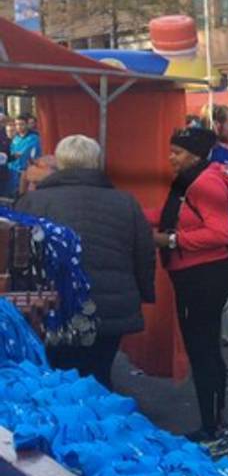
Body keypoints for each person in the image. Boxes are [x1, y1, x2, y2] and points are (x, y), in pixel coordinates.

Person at [15, 135, 155, 390]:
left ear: (60, 162)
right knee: (100, 375)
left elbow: (20, 258)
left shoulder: (34, 202)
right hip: (111, 304)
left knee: (59, 380)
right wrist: (144, 292)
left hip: (54, 305)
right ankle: (102, 424)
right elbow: (144, 253)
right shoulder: (126, 202)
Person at [148, 128, 228, 456]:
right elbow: (169, 215)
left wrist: (170, 241)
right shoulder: (190, 180)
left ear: (195, 155)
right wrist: (130, 215)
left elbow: (218, 233)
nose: (170, 157)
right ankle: (213, 424)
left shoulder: (205, 182)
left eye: (176, 152)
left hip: (205, 276)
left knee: (204, 351)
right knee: (203, 349)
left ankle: (214, 429)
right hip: (192, 274)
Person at [8, 115, 41, 198]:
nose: (19, 127)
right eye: (17, 124)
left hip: (26, 173)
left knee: (23, 196)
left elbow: (33, 155)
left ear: (27, 124)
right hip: (13, 172)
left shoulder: (34, 138)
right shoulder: (15, 138)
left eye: (21, 124)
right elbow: (12, 153)